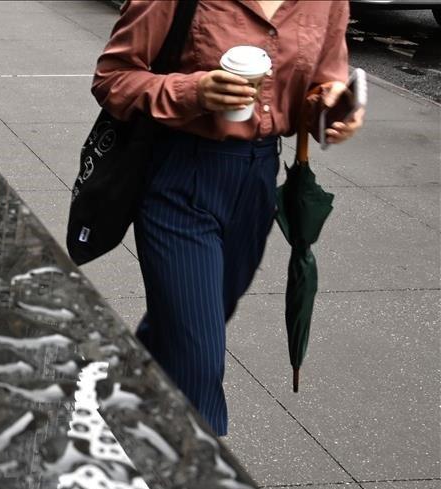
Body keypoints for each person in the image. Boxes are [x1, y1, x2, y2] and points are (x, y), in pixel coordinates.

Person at [92, 0, 364, 435]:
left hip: (257, 184)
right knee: (199, 363)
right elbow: (113, 78)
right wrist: (195, 92)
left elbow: (321, 82)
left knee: (186, 327)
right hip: (180, 177)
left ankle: (116, 413)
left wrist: (333, 108)